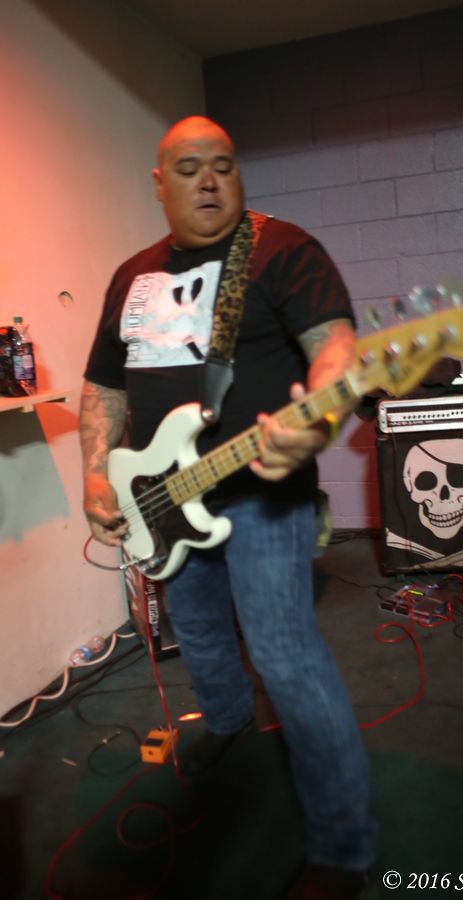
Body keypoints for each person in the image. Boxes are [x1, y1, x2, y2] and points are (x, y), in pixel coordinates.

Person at [79, 115, 377, 899]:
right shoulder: (131, 276)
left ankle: (344, 847)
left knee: (285, 655)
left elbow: (335, 350)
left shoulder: (283, 250)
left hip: (260, 494)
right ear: (159, 183)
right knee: (202, 633)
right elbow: (103, 384)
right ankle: (225, 718)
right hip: (162, 498)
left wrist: (314, 425)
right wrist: (97, 474)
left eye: (223, 165)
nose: (209, 181)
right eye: (188, 168)